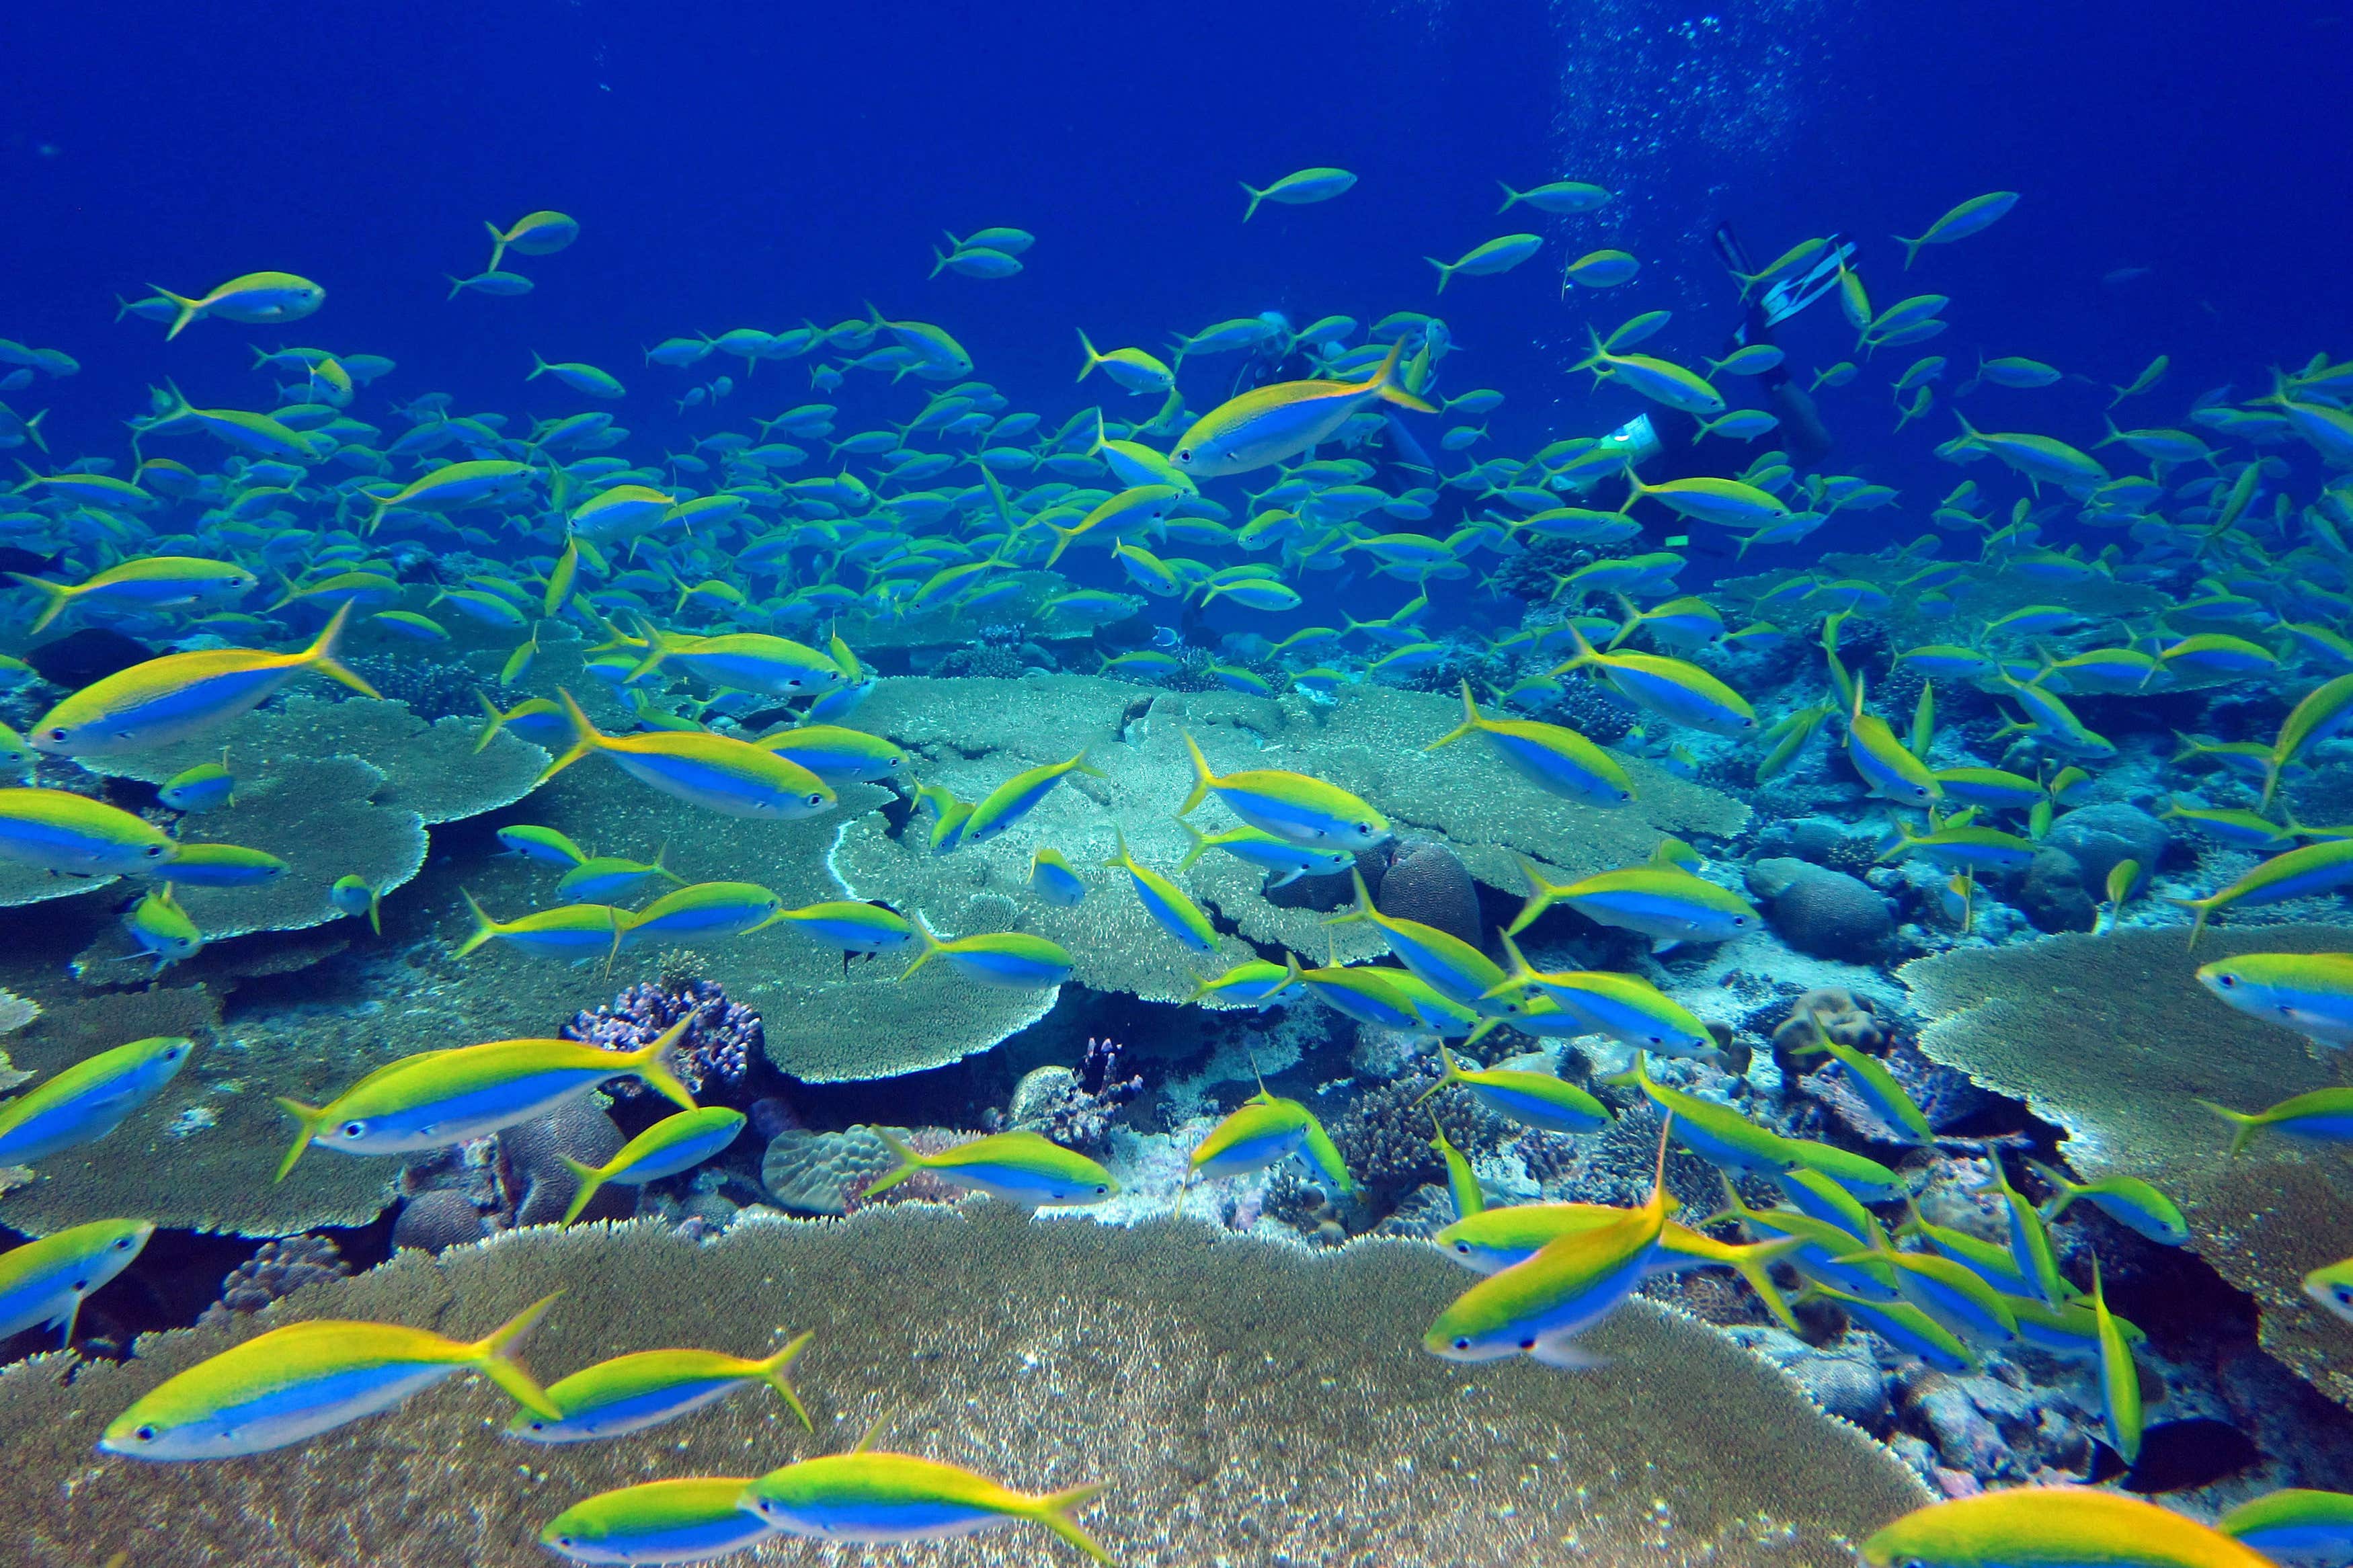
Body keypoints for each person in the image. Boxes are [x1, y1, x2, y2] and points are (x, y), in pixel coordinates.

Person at [1591, 222, 1846, 507]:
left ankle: (1757, 358)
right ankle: (1757, 359)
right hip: (1701, 448)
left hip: (1695, 449)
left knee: (1811, 445)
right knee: (1810, 444)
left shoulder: (1605, 499)